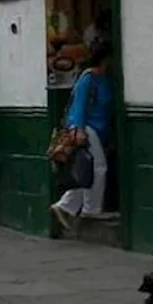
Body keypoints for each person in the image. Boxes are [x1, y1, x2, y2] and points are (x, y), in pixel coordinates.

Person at [50, 41, 115, 228]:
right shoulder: (88, 78)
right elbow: (78, 104)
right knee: (98, 168)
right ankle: (90, 210)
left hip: (98, 130)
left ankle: (65, 206)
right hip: (88, 128)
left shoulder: (104, 79)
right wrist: (77, 129)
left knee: (86, 171)